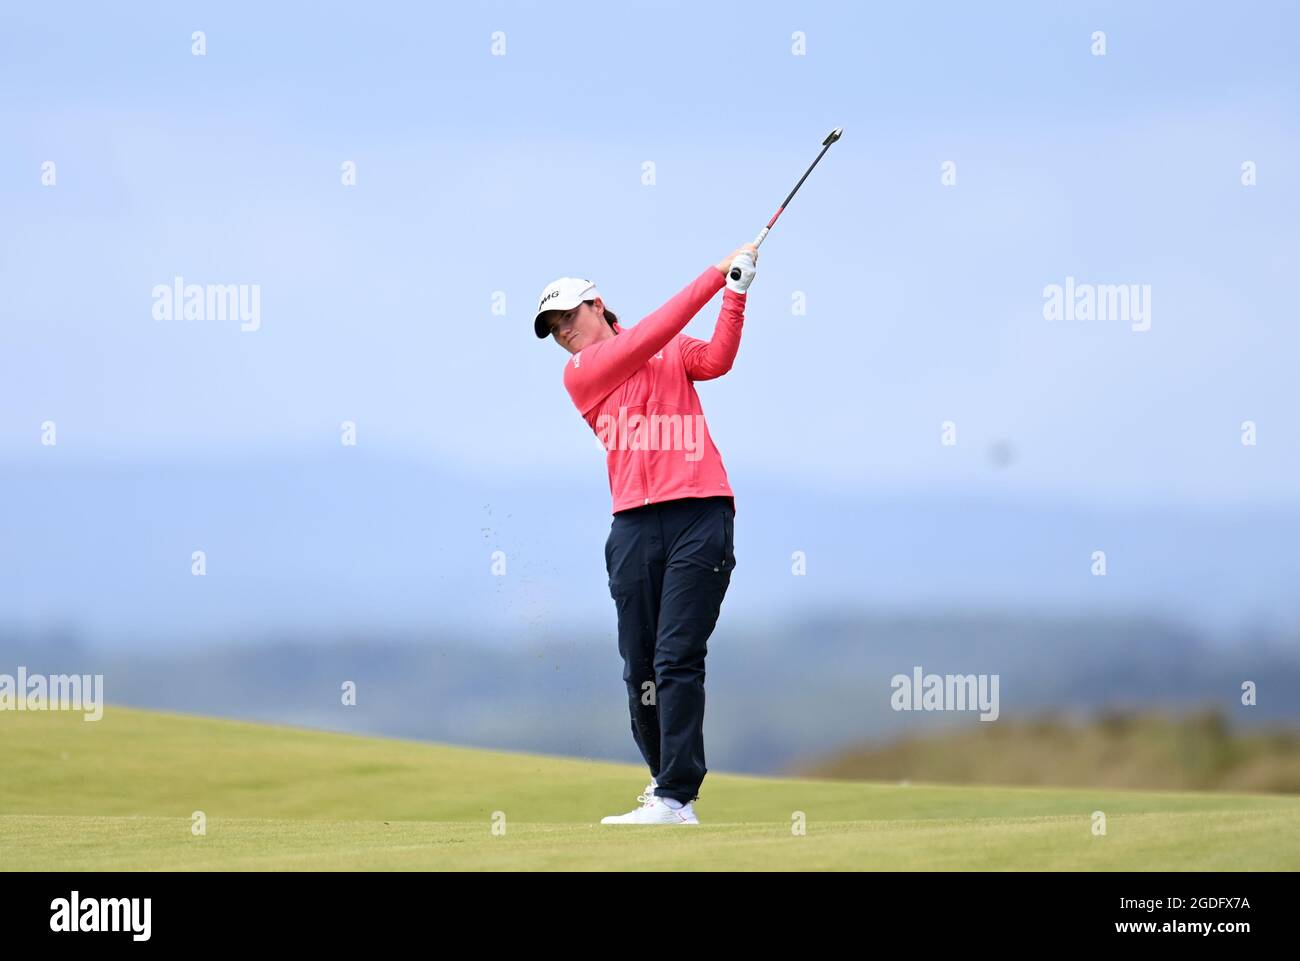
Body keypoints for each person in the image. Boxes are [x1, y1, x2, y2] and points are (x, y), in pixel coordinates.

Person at [533, 244, 758, 824]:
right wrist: (714, 274)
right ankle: (665, 787)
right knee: (640, 668)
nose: (563, 332)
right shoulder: (582, 373)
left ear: (596, 305)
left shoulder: (666, 349)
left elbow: (715, 360)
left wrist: (735, 293)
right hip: (633, 524)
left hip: (700, 514)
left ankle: (676, 795)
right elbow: (653, 334)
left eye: (568, 317)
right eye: (553, 328)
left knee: (677, 655)